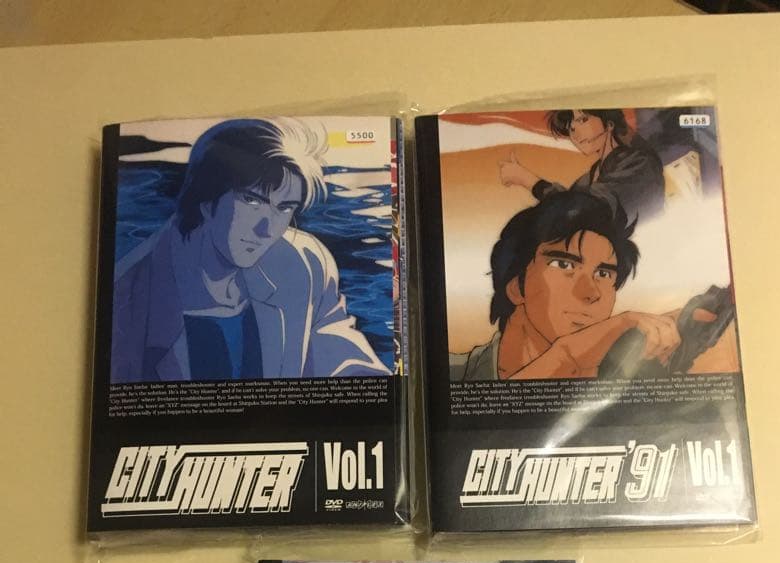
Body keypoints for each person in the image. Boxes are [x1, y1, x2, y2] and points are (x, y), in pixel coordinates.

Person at [111, 117, 388, 382]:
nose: (267, 229)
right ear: (206, 199)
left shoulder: (305, 263)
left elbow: (347, 364)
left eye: (284, 208)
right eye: (252, 201)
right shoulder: (127, 295)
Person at [451, 189, 695, 381]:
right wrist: (566, 356)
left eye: (603, 273)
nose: (591, 292)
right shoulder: (450, 376)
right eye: (564, 264)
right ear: (516, 287)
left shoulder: (624, 385)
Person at [500, 108, 665, 226]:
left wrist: (528, 180)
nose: (574, 133)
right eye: (570, 128)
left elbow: (584, 210)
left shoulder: (638, 164)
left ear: (609, 124)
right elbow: (565, 213)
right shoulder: (588, 179)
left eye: (582, 120)